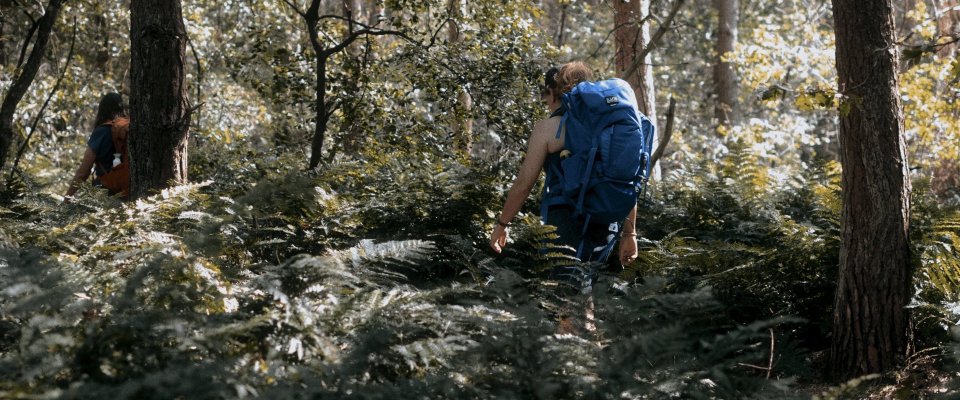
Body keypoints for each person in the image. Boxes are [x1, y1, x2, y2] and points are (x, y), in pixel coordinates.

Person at [489, 62, 639, 287]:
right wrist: (630, 234)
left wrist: (502, 224)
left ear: (554, 92)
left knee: (565, 300)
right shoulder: (609, 126)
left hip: (566, 221)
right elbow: (624, 177)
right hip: (607, 220)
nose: (544, 101)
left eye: (545, 94)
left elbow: (524, 184)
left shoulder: (549, 128)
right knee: (585, 298)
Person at [64, 92, 127, 199]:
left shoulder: (101, 132)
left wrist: (67, 197)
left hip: (106, 192)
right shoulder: (129, 128)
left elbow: (83, 172)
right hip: (127, 189)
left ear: (102, 110)